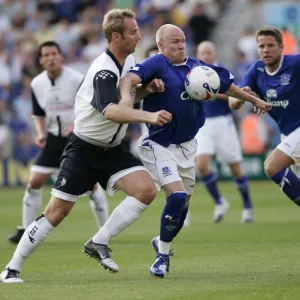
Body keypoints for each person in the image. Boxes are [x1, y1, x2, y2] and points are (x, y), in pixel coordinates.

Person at [0, 9, 170, 283]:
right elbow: (110, 110)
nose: (139, 35)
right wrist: (149, 115)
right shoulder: (103, 70)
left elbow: (123, 97)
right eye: (133, 32)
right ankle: (11, 267)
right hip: (84, 150)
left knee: (145, 190)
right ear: (116, 36)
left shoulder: (128, 61)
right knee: (57, 212)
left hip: (111, 151)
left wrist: (146, 91)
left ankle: (99, 241)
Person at [119, 24, 271, 278]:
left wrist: (255, 101)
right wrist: (127, 96)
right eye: (174, 42)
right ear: (161, 45)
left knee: (183, 206)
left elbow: (226, 85)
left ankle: (162, 242)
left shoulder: (197, 67)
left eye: (182, 40)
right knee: (176, 198)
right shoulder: (155, 63)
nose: (180, 45)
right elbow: (129, 79)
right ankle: (162, 257)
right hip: (159, 143)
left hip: (188, 145)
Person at [8, 41, 109, 245]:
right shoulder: (37, 83)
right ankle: (26, 231)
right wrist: (40, 132)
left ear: (61, 57)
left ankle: (105, 230)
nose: (50, 58)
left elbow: (90, 106)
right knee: (34, 181)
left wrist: (76, 125)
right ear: (41, 60)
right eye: (46, 55)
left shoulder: (76, 79)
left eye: (54, 53)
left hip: (77, 138)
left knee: (92, 187)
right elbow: (38, 113)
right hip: (53, 139)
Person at [229, 26, 300, 208]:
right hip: (289, 134)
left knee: (271, 166)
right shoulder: (257, 70)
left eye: (270, 45)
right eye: (261, 46)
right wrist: (242, 96)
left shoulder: (295, 64)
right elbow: (232, 102)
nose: (266, 50)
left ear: (281, 47)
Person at [195, 41, 253, 223]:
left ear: (214, 54)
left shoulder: (223, 72)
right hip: (203, 124)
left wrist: (212, 92)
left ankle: (247, 206)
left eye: (209, 52)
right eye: (202, 53)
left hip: (223, 122)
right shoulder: (194, 73)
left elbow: (236, 96)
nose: (206, 56)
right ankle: (219, 201)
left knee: (235, 167)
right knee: (201, 165)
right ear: (198, 55)